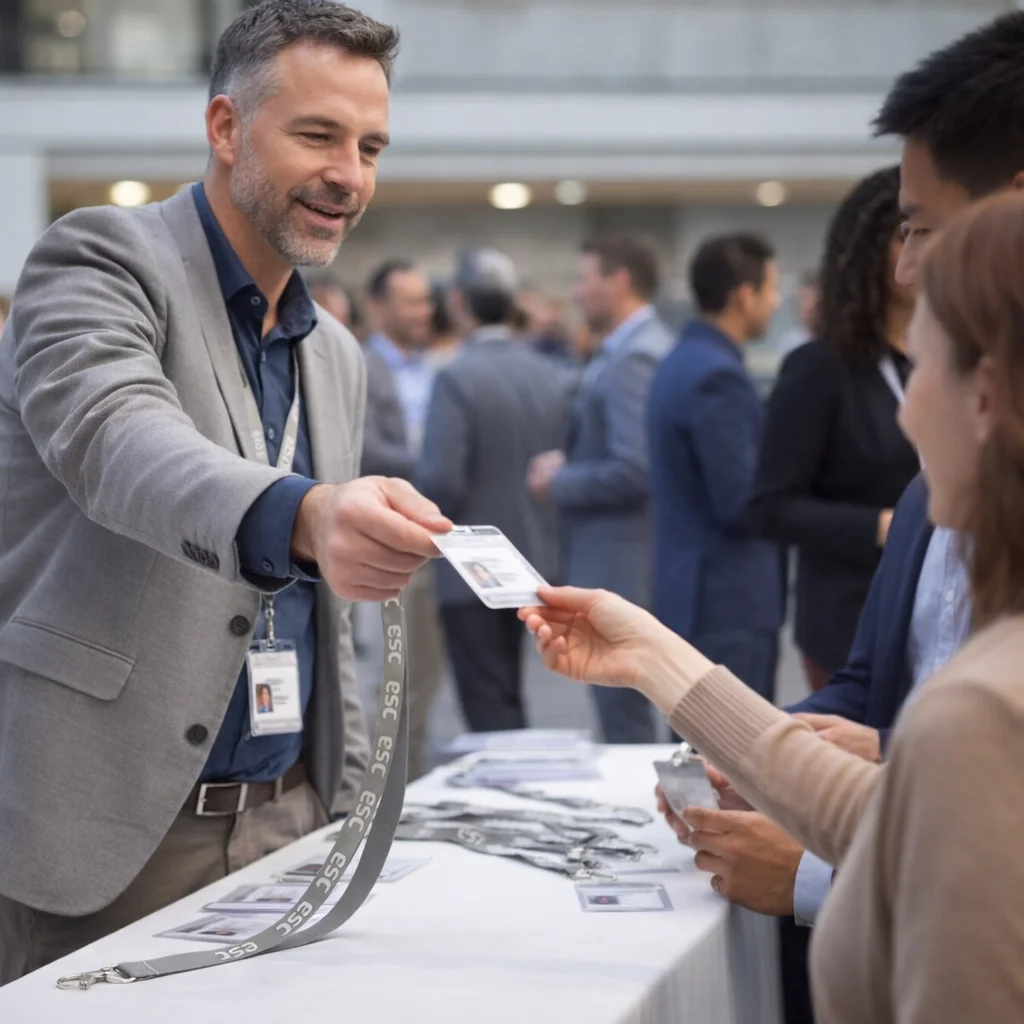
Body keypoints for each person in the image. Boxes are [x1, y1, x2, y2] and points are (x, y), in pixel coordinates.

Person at [0, 0, 452, 984]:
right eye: (317, 135)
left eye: (371, 145)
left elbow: (326, 620)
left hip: (290, 821)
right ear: (223, 127)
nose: (350, 175)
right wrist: (302, 513)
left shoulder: (333, 350)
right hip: (115, 833)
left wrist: (348, 803)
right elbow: (118, 440)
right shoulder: (101, 259)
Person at [522, 191, 1024, 1023]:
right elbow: (868, 809)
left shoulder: (977, 708)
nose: (903, 410)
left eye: (923, 367)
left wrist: (805, 872)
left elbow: (908, 834)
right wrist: (652, 656)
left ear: (986, 397)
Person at [750, 168, 919, 692]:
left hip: (943, 609)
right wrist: (882, 526)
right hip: (850, 620)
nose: (924, 255)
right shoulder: (819, 368)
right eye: (906, 234)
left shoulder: (953, 360)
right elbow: (770, 507)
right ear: (869, 252)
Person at [418, 249, 570, 732]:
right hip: (538, 558)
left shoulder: (457, 377)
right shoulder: (549, 373)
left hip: (473, 566)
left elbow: (443, 479)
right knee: (510, 693)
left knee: (486, 702)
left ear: (459, 302)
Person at [527, 236, 672, 743]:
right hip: (618, 554)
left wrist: (560, 481)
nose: (577, 293)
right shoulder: (626, 349)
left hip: (622, 560)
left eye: (584, 280)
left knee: (624, 715)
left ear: (620, 281)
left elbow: (636, 469)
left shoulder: (635, 357)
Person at [648, 234, 783, 703]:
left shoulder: (683, 361)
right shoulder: (717, 377)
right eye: (770, 290)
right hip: (726, 603)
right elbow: (740, 502)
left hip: (695, 593)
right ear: (744, 297)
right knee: (729, 762)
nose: (776, 301)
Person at [361, 259, 446, 780]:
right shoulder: (360, 365)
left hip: (435, 542)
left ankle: (411, 785)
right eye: (411, 301)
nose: (424, 312)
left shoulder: (436, 367)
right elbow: (367, 449)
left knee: (426, 679)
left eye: (427, 300)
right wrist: (442, 463)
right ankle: (378, 792)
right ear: (378, 307)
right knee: (386, 679)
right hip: (386, 543)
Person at [776, 270, 818, 356]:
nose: (803, 305)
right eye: (801, 299)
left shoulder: (830, 341)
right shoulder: (790, 342)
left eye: (807, 299)